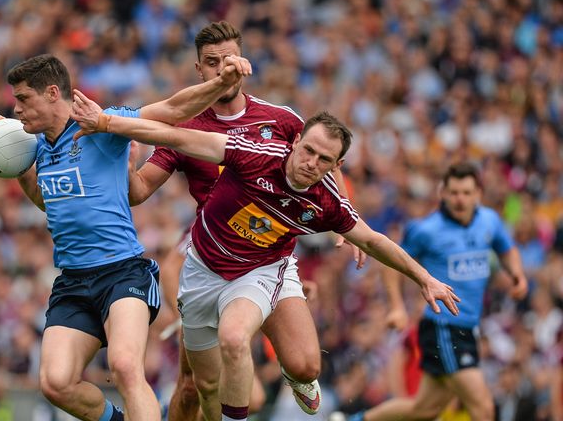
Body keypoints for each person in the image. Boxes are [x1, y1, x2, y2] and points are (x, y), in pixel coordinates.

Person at [70, 97, 462, 421]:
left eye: (324, 159)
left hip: (258, 273)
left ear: (336, 166)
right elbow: (174, 135)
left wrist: (423, 278)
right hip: (202, 272)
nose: (311, 162)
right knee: (206, 388)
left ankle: (284, 385)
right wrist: (107, 123)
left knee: (237, 337)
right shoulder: (252, 154)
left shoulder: (326, 203)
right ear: (295, 142)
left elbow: (375, 241)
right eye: (308, 150)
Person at [0, 53, 251, 421]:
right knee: (55, 383)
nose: (16, 110)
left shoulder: (100, 124)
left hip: (122, 273)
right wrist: (13, 163)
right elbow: (47, 202)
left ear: (51, 93)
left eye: (23, 99)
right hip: (73, 282)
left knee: (125, 366)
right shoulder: (37, 147)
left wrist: (221, 84)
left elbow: (171, 110)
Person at [127, 21, 366, 420]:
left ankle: (289, 365)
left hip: (271, 256)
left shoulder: (281, 119)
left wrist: (348, 219)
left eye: (229, 59)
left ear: (243, 61)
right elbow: (138, 191)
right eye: (211, 62)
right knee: (192, 385)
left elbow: (325, 159)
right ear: (199, 70)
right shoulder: (185, 128)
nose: (222, 69)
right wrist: (124, 157)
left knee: (306, 364)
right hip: (214, 253)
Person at [341, 162, 529, 421]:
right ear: (443, 193)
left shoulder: (490, 221)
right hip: (443, 327)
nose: (459, 199)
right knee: (483, 407)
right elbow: (391, 264)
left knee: (425, 409)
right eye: (453, 192)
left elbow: (506, 248)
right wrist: (396, 306)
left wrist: (516, 274)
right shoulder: (426, 230)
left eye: (466, 192)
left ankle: (357, 420)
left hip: (469, 329)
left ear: (478, 194)